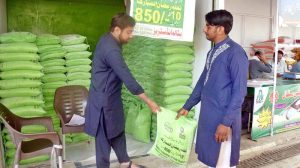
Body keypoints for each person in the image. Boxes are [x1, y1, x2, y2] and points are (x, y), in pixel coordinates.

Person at [84, 13, 160, 168]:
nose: (131, 36)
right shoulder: (111, 50)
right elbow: (127, 78)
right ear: (117, 30)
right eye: (129, 32)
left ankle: (125, 162)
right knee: (104, 141)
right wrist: (149, 102)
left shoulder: (107, 38)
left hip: (111, 97)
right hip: (103, 103)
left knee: (117, 132)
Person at [176, 10, 248, 168]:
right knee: (210, 160)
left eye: (208, 26)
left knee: (223, 162)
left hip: (223, 118)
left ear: (220, 29)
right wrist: (187, 106)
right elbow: (203, 82)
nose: (204, 29)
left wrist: (225, 122)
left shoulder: (235, 53)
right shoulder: (213, 51)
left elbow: (240, 92)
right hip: (209, 115)